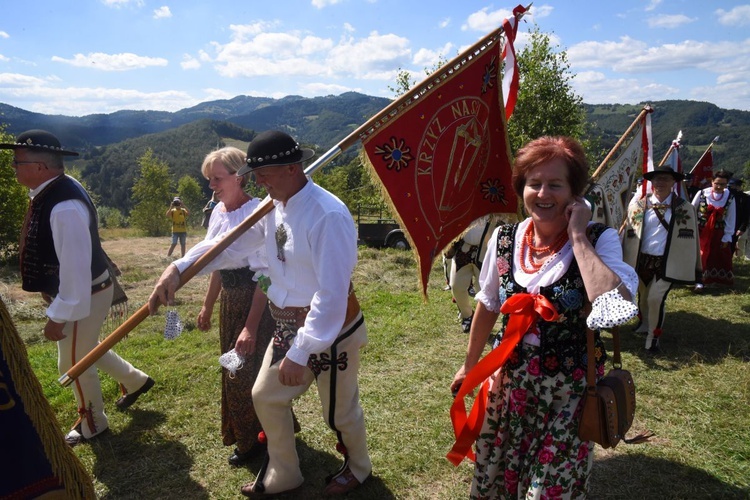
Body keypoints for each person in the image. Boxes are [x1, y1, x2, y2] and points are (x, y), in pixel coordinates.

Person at [148, 130, 372, 497]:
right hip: (285, 324)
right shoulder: (272, 208)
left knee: (339, 412)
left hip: (331, 329)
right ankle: (286, 472)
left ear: (292, 168)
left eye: (264, 173)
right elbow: (226, 247)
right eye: (256, 174)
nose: (259, 181)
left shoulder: (328, 215)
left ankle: (359, 467)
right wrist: (177, 268)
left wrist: (300, 353)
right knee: (265, 396)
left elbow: (331, 295)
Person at [449, 136, 638, 498]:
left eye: (555, 184)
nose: (543, 193)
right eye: (534, 183)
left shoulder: (600, 239)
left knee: (548, 489)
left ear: (574, 192)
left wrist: (578, 236)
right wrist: (469, 364)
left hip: (571, 390)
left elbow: (614, 307)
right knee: (501, 475)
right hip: (513, 384)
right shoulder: (504, 240)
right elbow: (489, 305)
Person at [1, 129, 154, 447]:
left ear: (40, 167)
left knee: (73, 363)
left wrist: (58, 315)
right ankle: (135, 381)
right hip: (91, 290)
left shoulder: (63, 206)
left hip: (85, 292)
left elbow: (75, 271)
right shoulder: (56, 190)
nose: (13, 166)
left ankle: (93, 423)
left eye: (18, 162)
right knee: (85, 348)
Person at [193, 147, 277, 466]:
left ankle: (254, 441)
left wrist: (250, 326)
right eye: (209, 179)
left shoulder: (259, 213)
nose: (211, 185)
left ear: (240, 177)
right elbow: (217, 260)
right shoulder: (218, 213)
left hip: (255, 303)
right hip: (230, 300)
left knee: (242, 372)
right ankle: (258, 433)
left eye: (217, 178)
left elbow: (266, 276)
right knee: (234, 368)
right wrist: (207, 305)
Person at [622, 165, 701, 354]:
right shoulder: (637, 206)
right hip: (641, 260)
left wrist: (690, 264)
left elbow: (691, 240)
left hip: (666, 260)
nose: (660, 183)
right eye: (657, 179)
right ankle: (645, 323)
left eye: (665, 179)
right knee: (643, 297)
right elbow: (629, 235)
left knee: (655, 298)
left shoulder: (684, 208)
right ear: (651, 182)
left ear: (673, 182)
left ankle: (653, 337)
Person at [447, 215, 496, 332]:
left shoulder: (494, 203)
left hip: (485, 250)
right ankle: (467, 315)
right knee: (456, 286)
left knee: (484, 290)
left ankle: (482, 320)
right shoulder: (464, 203)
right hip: (463, 248)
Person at [691, 170, 736, 288]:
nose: (719, 187)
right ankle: (698, 280)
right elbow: (691, 210)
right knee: (700, 255)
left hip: (718, 232)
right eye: (717, 183)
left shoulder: (729, 197)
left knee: (717, 255)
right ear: (712, 181)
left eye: (723, 184)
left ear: (727, 184)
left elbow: (731, 218)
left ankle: (715, 280)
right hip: (701, 231)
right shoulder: (701, 194)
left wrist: (727, 236)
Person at [728, 177, 749, 256]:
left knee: (732, 244)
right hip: (726, 223)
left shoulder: (745, 198)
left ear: (738, 186)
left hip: (737, 224)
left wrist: (742, 228)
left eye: (732, 186)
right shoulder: (728, 195)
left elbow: (746, 214)